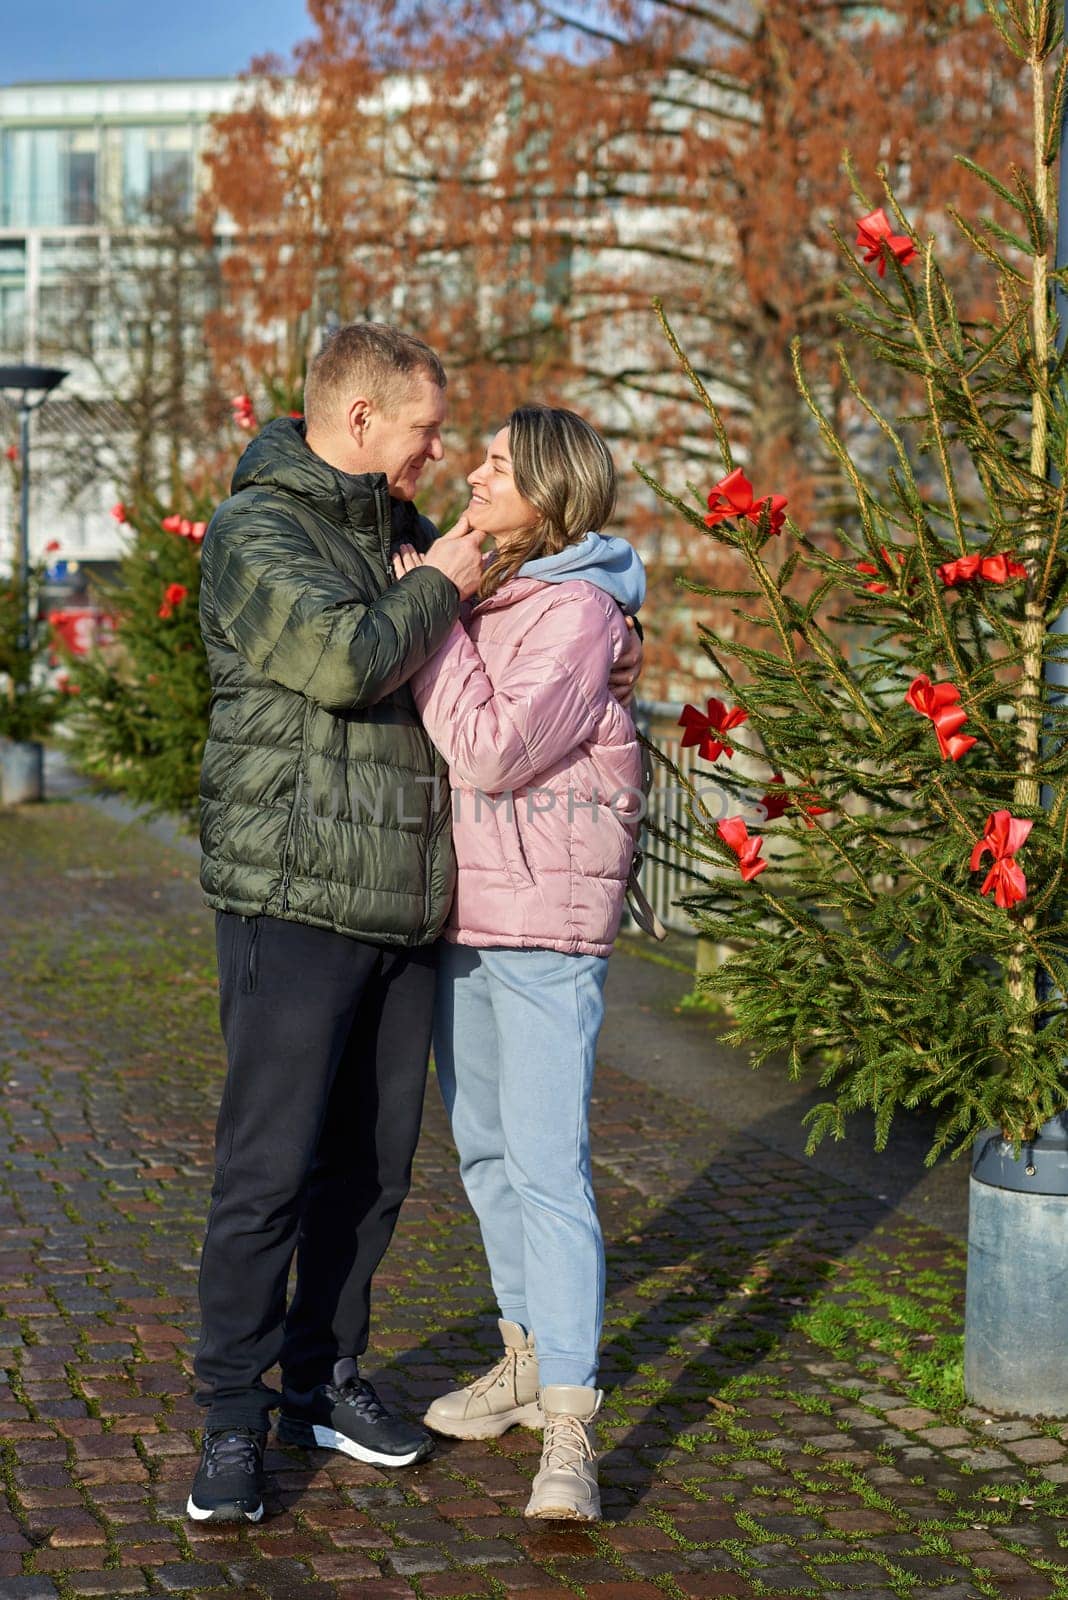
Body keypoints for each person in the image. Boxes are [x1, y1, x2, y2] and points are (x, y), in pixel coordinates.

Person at [186, 322, 486, 1523]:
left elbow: (491, 627)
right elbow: (346, 658)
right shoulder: (257, 531)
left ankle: (323, 1377)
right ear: (361, 420)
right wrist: (446, 576)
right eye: (424, 431)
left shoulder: (395, 533)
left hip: (406, 899)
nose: (434, 455)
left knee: (372, 1169)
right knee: (267, 1169)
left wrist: (608, 641)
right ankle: (227, 1419)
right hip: (294, 896)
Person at [392, 405, 645, 1522]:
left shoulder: (581, 610)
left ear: (550, 496)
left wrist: (431, 616)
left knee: (548, 1164)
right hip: (469, 914)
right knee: (487, 1152)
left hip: (545, 923)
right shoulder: (498, 593)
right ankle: (528, 1354)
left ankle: (574, 1430)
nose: (476, 474)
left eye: (499, 463)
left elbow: (492, 752)